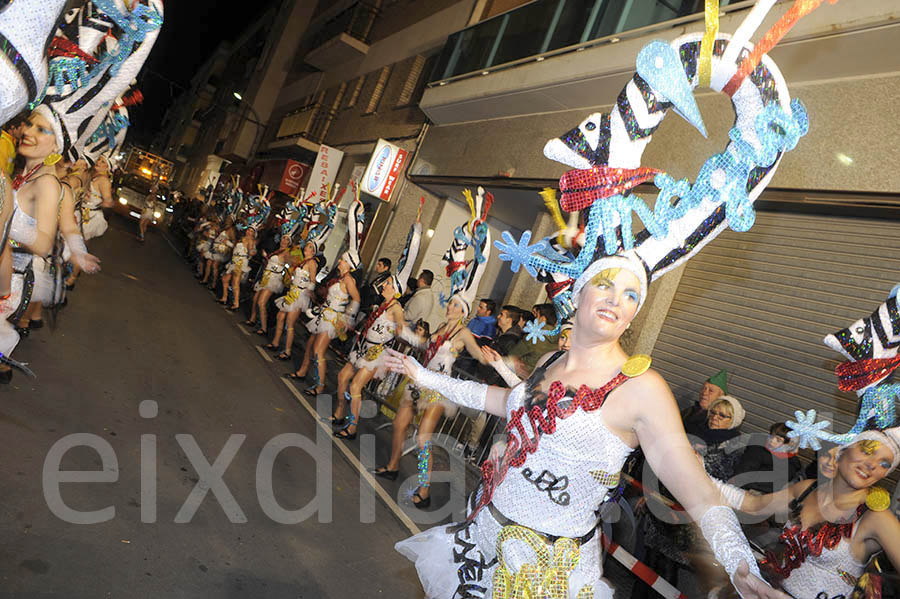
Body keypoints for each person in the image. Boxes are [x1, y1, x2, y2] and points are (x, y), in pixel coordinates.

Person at [383, 255, 777, 597]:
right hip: (482, 532)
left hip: (543, 571)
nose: (615, 300)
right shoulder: (550, 361)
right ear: (579, 294)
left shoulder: (641, 389)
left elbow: (699, 493)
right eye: (605, 285)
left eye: (630, 294)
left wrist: (738, 559)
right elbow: (504, 402)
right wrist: (426, 377)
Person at [714, 429, 900, 598]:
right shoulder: (808, 489)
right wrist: (698, 475)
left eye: (884, 464)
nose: (872, 465)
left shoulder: (876, 518)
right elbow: (752, 504)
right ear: (843, 450)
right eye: (867, 451)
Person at [289, 252, 360, 394]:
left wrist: (348, 317)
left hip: (331, 319)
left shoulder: (349, 280)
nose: (339, 261)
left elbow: (356, 299)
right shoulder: (340, 277)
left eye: (343, 260)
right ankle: (303, 371)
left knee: (318, 351)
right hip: (324, 314)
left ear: (349, 264)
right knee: (310, 345)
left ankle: (319, 386)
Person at [266, 240, 319, 360]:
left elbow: (313, 281)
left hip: (300, 295)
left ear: (313, 251)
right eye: (307, 246)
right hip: (292, 292)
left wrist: (308, 290)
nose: (306, 248)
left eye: (310, 247)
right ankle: (275, 343)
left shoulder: (312, 263)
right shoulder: (302, 261)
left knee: (290, 323)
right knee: (280, 316)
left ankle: (287, 352)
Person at [734, 422, 802, 494]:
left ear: (789, 445)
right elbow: (742, 473)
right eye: (771, 436)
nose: (772, 440)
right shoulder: (757, 449)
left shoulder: (791, 464)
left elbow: (775, 484)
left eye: (778, 440)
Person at [691, 395, 747, 481]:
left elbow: (717, 472)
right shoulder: (697, 429)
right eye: (712, 413)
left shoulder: (734, 445)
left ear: (733, 420)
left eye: (722, 415)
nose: (714, 417)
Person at [245, 235, 291, 333]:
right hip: (266, 276)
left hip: (273, 280)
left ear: (289, 242)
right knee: (255, 299)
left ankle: (264, 328)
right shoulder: (277, 250)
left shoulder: (286, 252)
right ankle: (253, 319)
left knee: (261, 302)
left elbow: (291, 264)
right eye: (283, 238)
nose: (284, 241)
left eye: (287, 239)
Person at [505, 303, 559, 378]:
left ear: (543, 319)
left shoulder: (533, 336)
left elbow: (512, 355)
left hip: (520, 377)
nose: (534, 320)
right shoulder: (561, 340)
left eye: (536, 316)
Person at [217, 228, 256, 310]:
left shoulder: (251, 240)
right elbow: (235, 247)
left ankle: (236, 304)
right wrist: (227, 242)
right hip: (234, 260)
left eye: (251, 231)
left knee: (235, 283)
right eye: (248, 230)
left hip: (240, 262)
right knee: (225, 279)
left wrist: (251, 251)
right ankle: (224, 298)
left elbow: (251, 252)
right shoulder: (242, 238)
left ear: (254, 233)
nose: (249, 232)